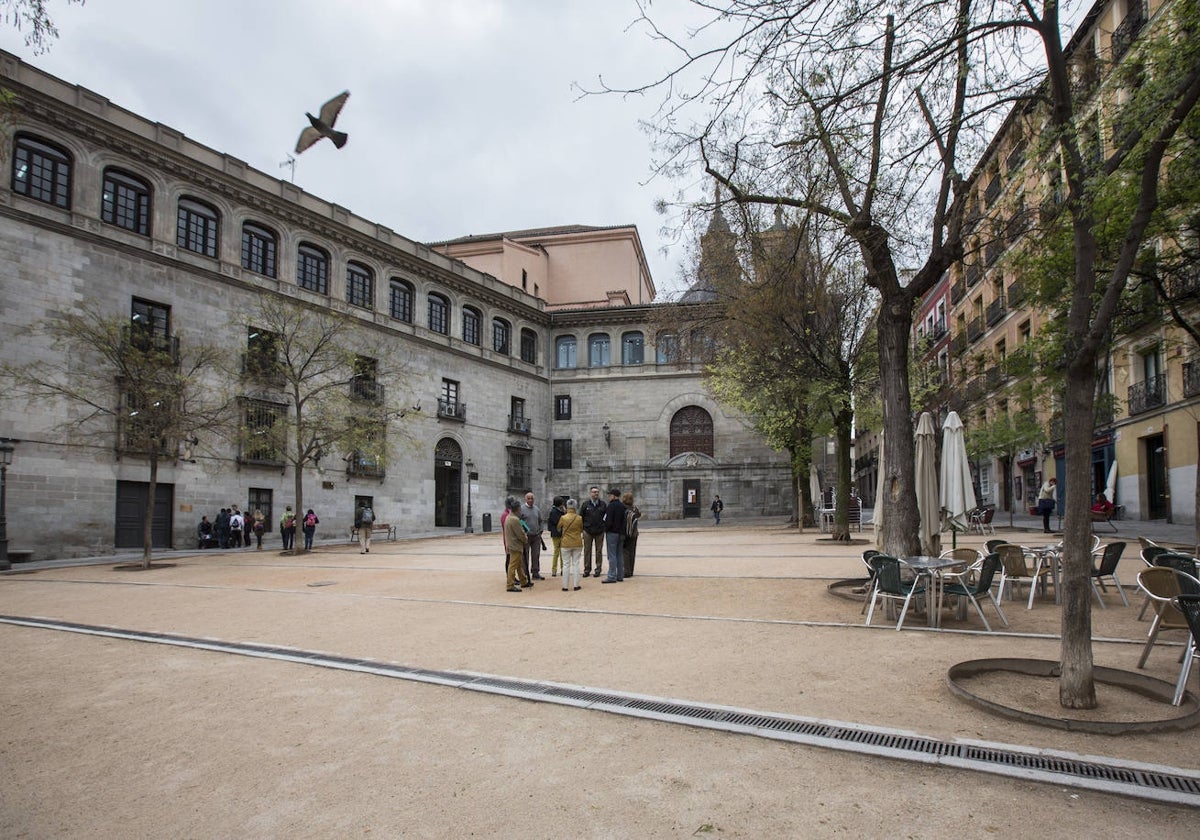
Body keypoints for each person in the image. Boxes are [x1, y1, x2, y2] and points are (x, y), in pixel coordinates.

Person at [503, 498, 530, 592]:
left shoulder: (509, 517)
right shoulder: (515, 519)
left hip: (511, 544)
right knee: (513, 565)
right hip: (515, 545)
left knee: (518, 564)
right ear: (518, 509)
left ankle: (523, 581)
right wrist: (525, 539)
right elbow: (520, 533)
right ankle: (510, 585)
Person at [581, 486, 607, 578]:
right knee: (587, 551)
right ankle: (587, 569)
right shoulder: (585, 504)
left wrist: (603, 526)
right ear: (590, 493)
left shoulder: (603, 504)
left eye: (597, 492)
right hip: (587, 531)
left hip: (599, 531)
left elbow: (606, 516)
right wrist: (583, 529)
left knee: (598, 551)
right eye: (594, 492)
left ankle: (598, 569)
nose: (596, 494)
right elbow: (581, 517)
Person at [559, 498, 584, 591]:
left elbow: (558, 527)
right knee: (576, 564)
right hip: (577, 542)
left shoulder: (563, 518)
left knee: (566, 564)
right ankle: (576, 585)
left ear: (567, 506)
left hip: (565, 543)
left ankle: (565, 586)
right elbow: (581, 529)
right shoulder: (579, 518)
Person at [602, 488, 626, 583]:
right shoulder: (622, 506)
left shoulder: (611, 506)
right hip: (621, 532)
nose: (608, 497)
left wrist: (606, 528)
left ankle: (612, 576)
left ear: (614, 496)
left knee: (611, 555)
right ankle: (620, 575)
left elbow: (608, 520)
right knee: (619, 554)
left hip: (612, 532)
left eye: (610, 495)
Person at [520, 491, 544, 580]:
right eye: (528, 498)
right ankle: (525, 573)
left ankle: (535, 572)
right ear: (525, 499)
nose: (530, 500)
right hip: (525, 537)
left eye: (532, 498)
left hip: (536, 536)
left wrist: (540, 530)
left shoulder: (537, 509)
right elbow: (519, 521)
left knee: (536, 555)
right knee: (525, 555)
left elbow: (541, 521)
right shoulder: (521, 509)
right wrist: (524, 531)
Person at [622, 491, 641, 577]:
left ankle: (627, 571)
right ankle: (631, 570)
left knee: (625, 552)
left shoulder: (623, 508)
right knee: (632, 552)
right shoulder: (634, 508)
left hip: (626, 533)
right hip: (634, 533)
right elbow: (639, 515)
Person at [546, 496, 565, 577]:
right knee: (557, 552)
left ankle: (562, 569)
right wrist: (564, 513)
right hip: (556, 534)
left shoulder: (556, 511)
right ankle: (554, 569)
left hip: (559, 533)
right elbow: (559, 521)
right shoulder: (554, 512)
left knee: (561, 552)